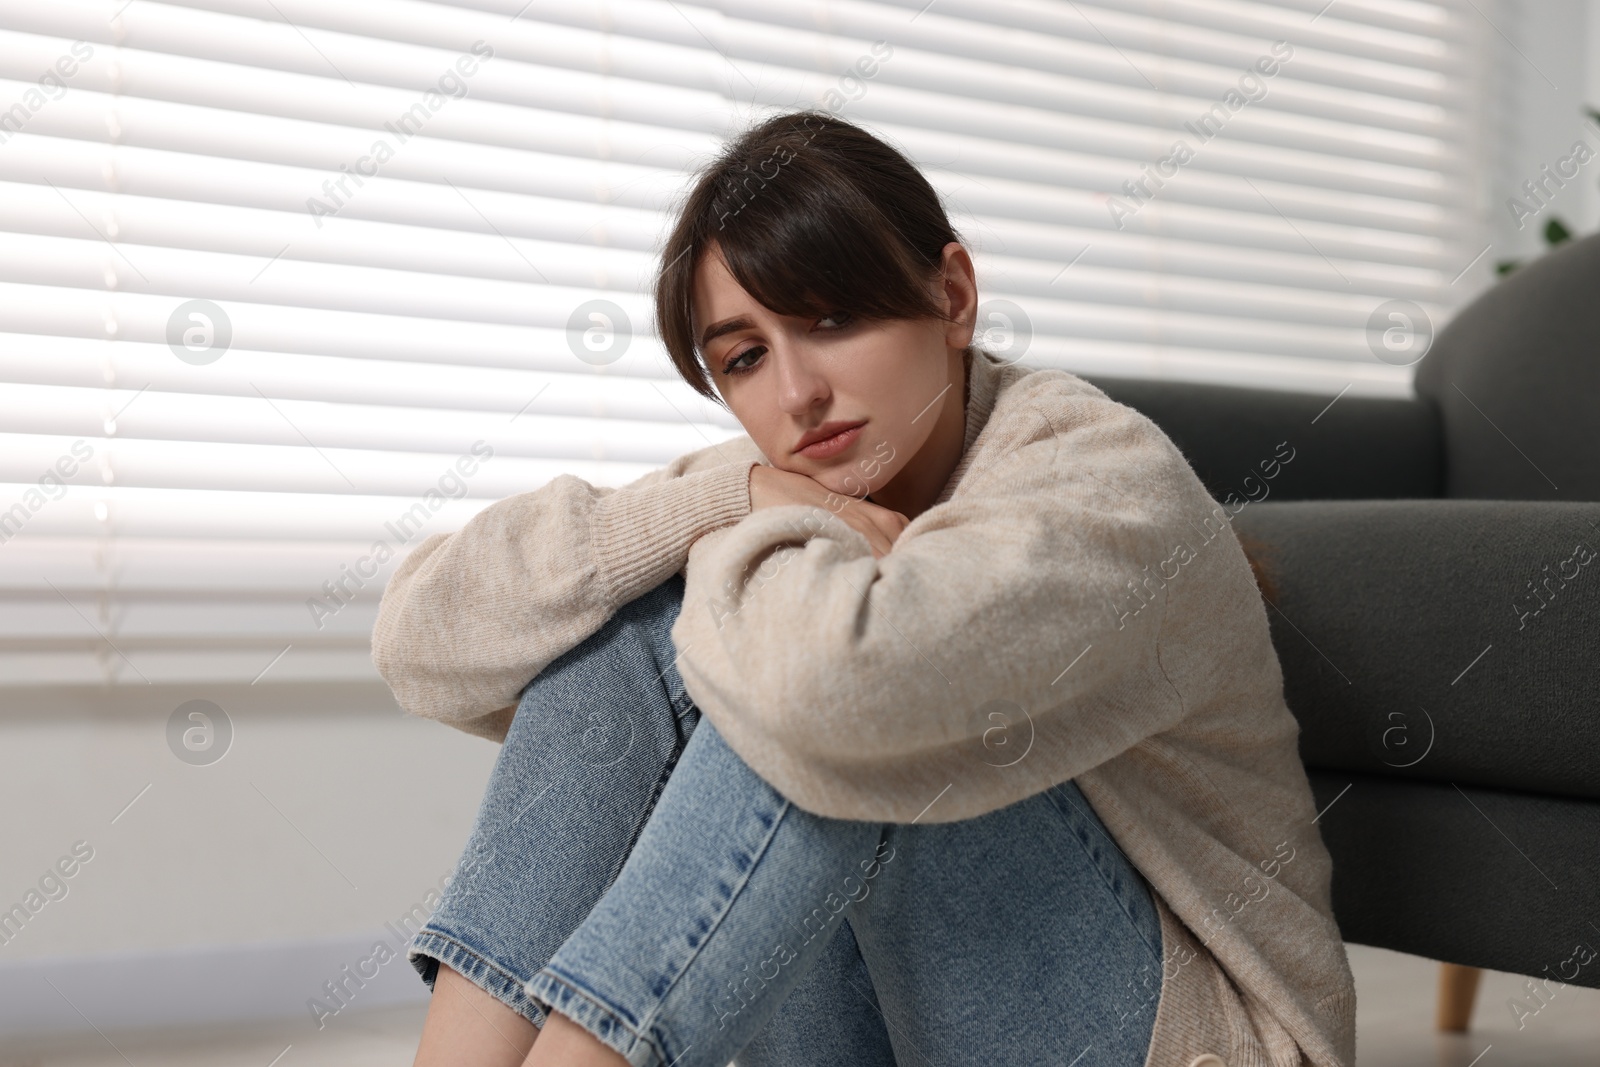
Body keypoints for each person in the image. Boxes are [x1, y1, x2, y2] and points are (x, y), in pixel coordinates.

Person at [373, 110, 1356, 1067]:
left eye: (832, 319)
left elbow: (831, 686)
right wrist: (731, 494)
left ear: (954, 295)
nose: (796, 392)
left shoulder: (1092, 467)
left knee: (817, 695)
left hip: (1190, 1038)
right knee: (635, 622)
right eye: (745, 357)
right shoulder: (788, 483)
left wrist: (738, 528)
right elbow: (421, 641)